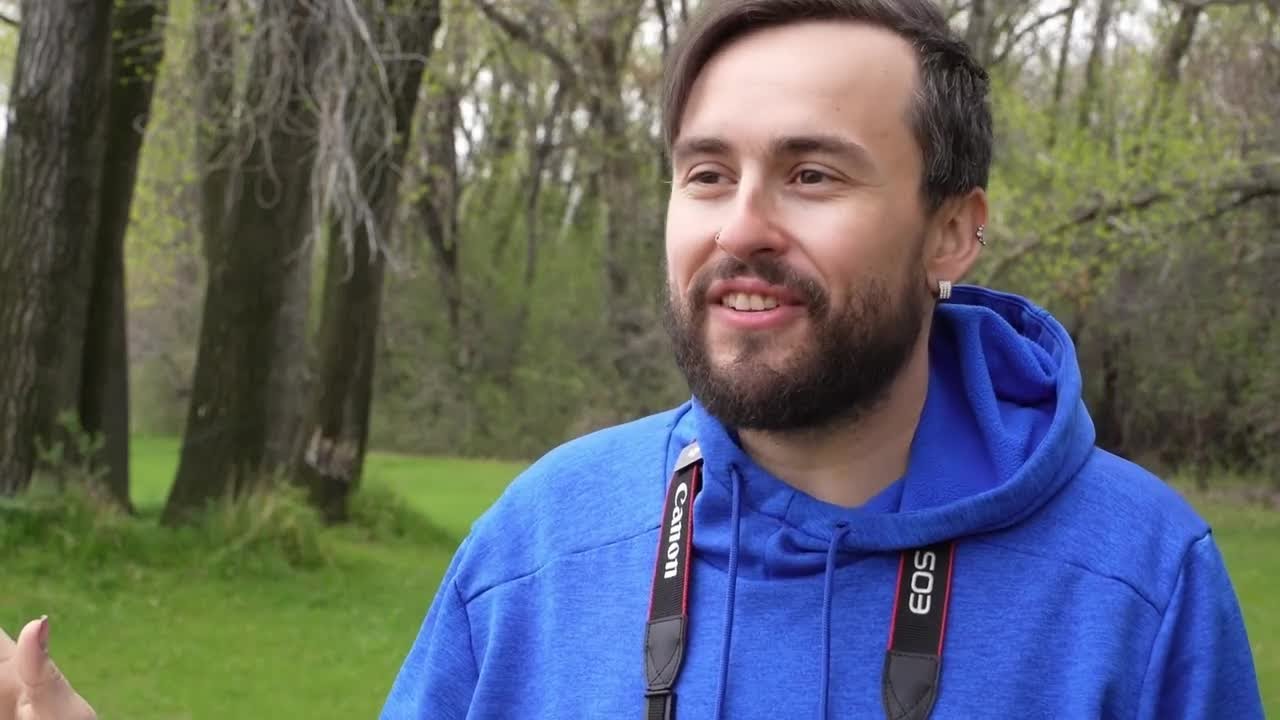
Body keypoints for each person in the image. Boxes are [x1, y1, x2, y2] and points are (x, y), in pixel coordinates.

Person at [4, 0, 1263, 718]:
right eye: (705, 174)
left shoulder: (1137, 585)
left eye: (812, 173)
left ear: (952, 228)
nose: (741, 227)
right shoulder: (546, 545)